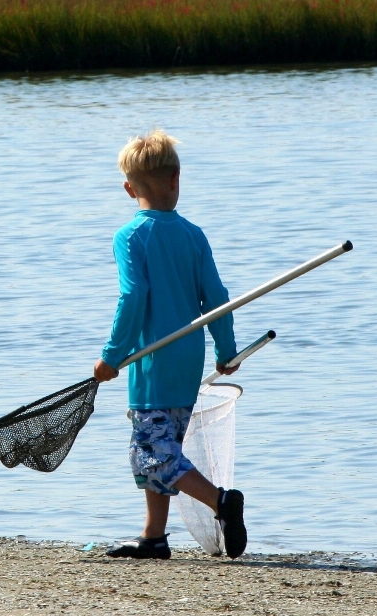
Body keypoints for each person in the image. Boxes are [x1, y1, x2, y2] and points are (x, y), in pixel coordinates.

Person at [93, 129, 247, 560]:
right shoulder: (193, 234)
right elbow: (217, 297)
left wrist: (111, 356)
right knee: (160, 448)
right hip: (187, 360)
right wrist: (225, 350)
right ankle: (154, 537)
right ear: (177, 179)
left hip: (153, 365)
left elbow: (133, 295)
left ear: (129, 189)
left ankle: (221, 502)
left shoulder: (130, 236)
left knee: (153, 452)